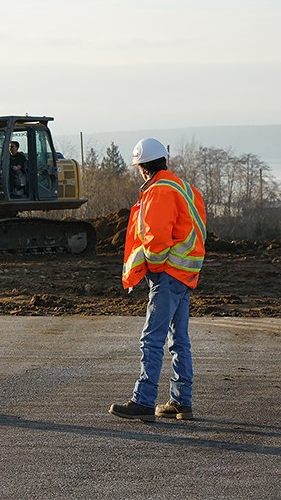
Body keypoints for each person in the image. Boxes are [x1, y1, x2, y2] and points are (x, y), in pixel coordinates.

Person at [109, 138, 206, 422]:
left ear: (142, 167)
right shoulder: (185, 188)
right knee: (179, 340)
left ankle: (143, 399)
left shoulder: (159, 191)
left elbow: (157, 239)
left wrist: (151, 269)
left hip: (168, 273)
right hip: (186, 274)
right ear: (164, 161)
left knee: (152, 338)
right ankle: (180, 401)